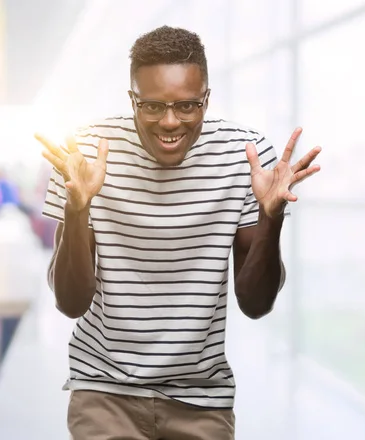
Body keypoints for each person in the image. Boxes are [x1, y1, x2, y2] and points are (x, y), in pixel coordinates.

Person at [35, 25, 321, 440]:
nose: (170, 122)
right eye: (152, 106)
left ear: (206, 98)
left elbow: (256, 304)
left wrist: (269, 216)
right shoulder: (84, 153)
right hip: (104, 391)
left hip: (202, 399)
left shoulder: (247, 156)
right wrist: (77, 209)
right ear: (132, 99)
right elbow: (70, 302)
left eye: (187, 106)